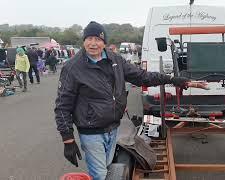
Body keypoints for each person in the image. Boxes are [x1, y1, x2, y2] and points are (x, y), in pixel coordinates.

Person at [54, 21, 189, 180]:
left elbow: (142, 76)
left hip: (113, 127)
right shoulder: (72, 68)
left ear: (104, 42)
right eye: (89, 39)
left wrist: (172, 79)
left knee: (108, 166)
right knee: (100, 175)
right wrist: (68, 139)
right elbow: (63, 105)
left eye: (97, 39)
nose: (93, 43)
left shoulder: (115, 60)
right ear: (83, 41)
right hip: (91, 132)